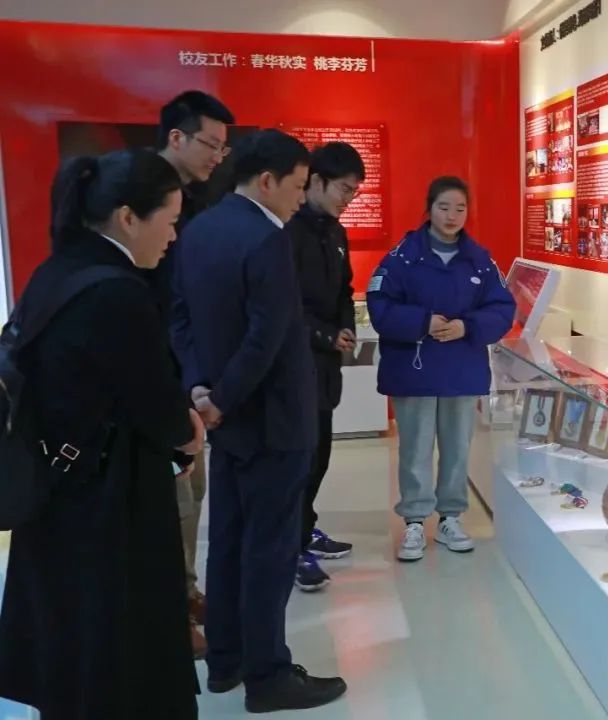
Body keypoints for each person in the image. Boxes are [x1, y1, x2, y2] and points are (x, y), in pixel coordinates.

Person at [0, 149, 205, 719]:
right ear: (128, 217)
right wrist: (186, 434)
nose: (173, 236)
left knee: (68, 640)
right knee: (119, 648)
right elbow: (156, 403)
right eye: (169, 221)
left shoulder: (56, 272)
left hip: (53, 485)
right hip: (111, 498)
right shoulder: (118, 292)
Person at [171, 129, 347, 712]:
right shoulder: (269, 238)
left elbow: (181, 319)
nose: (301, 198)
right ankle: (268, 675)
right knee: (269, 549)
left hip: (227, 419)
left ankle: (225, 660)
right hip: (273, 419)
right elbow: (268, 334)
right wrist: (223, 396)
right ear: (267, 181)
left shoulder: (198, 229)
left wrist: (201, 389)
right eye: (297, 186)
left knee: (227, 539)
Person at [367, 176, 515, 562]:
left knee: (456, 448)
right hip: (413, 369)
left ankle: (451, 517)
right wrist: (422, 322)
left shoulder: (479, 260)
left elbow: (503, 308)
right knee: (415, 448)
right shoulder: (403, 257)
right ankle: (415, 521)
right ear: (429, 209)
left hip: (460, 368)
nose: (452, 216)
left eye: (460, 208)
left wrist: (469, 326)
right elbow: (379, 304)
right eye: (444, 207)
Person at [156, 88, 235, 659]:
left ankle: (184, 592)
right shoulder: (142, 193)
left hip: (185, 373)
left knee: (192, 491)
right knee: (171, 500)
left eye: (223, 148)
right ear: (176, 137)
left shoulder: (199, 202)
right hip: (156, 374)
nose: (217, 156)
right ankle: (168, 610)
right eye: (210, 143)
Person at [284, 142, 364, 592]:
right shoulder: (287, 232)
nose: (348, 199)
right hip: (296, 363)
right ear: (316, 182)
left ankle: (305, 528)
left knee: (320, 456)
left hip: (327, 366)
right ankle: (291, 546)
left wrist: (345, 326)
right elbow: (283, 305)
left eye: (354, 192)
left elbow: (344, 290)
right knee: (299, 458)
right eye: (344, 189)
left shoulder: (335, 233)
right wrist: (322, 335)